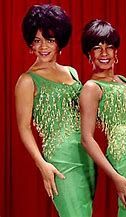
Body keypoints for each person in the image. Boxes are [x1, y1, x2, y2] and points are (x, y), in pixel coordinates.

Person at [15, 4, 95, 217]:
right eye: (37, 40)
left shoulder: (72, 72)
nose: (43, 46)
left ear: (60, 40)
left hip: (86, 153)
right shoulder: (27, 81)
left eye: (49, 39)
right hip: (60, 160)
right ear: (30, 43)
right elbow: (23, 128)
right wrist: (42, 164)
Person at [80, 19, 126, 217]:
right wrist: (115, 176)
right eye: (97, 48)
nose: (104, 53)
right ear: (89, 54)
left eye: (109, 47)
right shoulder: (91, 88)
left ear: (116, 52)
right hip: (124, 152)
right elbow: (87, 139)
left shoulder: (124, 80)